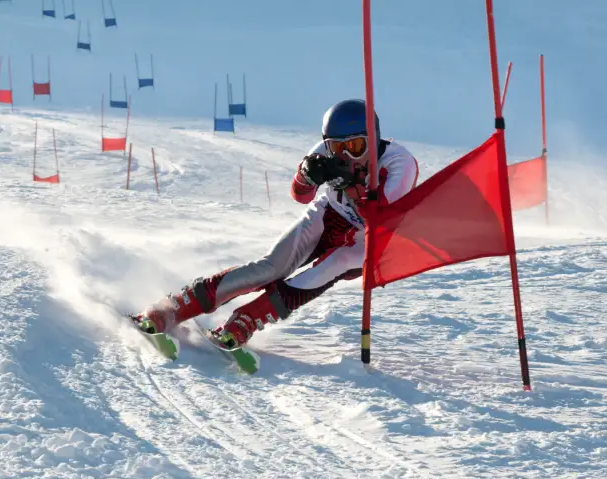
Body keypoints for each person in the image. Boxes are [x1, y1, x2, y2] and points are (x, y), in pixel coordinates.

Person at [133, 99, 419, 349]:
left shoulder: (399, 164)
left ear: (373, 138)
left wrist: (352, 185)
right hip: (328, 215)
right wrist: (307, 176)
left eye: (357, 146)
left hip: (366, 238)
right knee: (271, 267)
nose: (346, 155)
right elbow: (300, 195)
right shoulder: (323, 151)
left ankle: (247, 320)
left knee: (332, 265)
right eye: (337, 147)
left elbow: (380, 219)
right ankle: (173, 307)